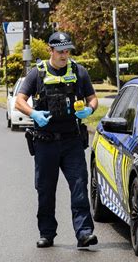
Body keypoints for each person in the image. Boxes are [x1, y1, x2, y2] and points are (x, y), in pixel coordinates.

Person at [15, 32, 99, 249]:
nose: (64, 55)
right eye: (60, 51)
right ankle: (47, 233)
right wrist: (33, 114)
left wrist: (89, 109)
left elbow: (93, 98)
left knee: (79, 186)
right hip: (45, 142)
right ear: (51, 50)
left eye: (67, 51)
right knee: (45, 189)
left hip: (72, 141)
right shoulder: (37, 73)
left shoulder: (79, 71)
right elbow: (19, 101)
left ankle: (84, 233)